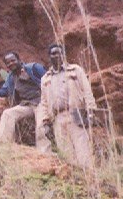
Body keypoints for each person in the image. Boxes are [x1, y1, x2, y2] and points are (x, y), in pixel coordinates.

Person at [38, 43, 98, 171]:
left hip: (76, 114)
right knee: (67, 153)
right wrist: (45, 121)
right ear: (49, 57)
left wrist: (91, 113)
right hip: (57, 118)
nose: (57, 55)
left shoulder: (75, 70)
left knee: (83, 150)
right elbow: (44, 102)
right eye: (53, 53)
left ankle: (90, 177)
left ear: (63, 55)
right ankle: (77, 183)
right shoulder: (45, 79)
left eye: (60, 53)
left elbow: (87, 91)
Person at [0, 51, 48, 149]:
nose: (11, 64)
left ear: (19, 60)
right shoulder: (11, 77)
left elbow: (49, 80)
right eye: (8, 62)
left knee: (41, 125)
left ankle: (44, 152)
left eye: (13, 60)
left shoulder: (33, 68)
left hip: (42, 102)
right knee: (8, 113)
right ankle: (0, 143)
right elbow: (3, 92)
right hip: (27, 105)